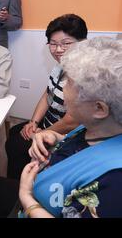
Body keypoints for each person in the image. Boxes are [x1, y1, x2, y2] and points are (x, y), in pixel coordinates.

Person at [18, 37, 122, 218]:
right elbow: (87, 148)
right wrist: (56, 138)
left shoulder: (115, 181)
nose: (63, 89)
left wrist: (27, 198)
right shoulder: (101, 127)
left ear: (99, 108)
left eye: (70, 83)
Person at [5, 14, 88, 180]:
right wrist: (33, 122)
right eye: (53, 44)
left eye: (66, 44)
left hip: (66, 134)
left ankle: (21, 190)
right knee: (15, 132)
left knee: (17, 145)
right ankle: (18, 181)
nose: (58, 49)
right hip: (48, 123)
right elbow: (47, 95)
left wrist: (41, 133)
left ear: (83, 43)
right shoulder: (60, 66)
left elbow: (71, 121)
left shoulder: (85, 74)